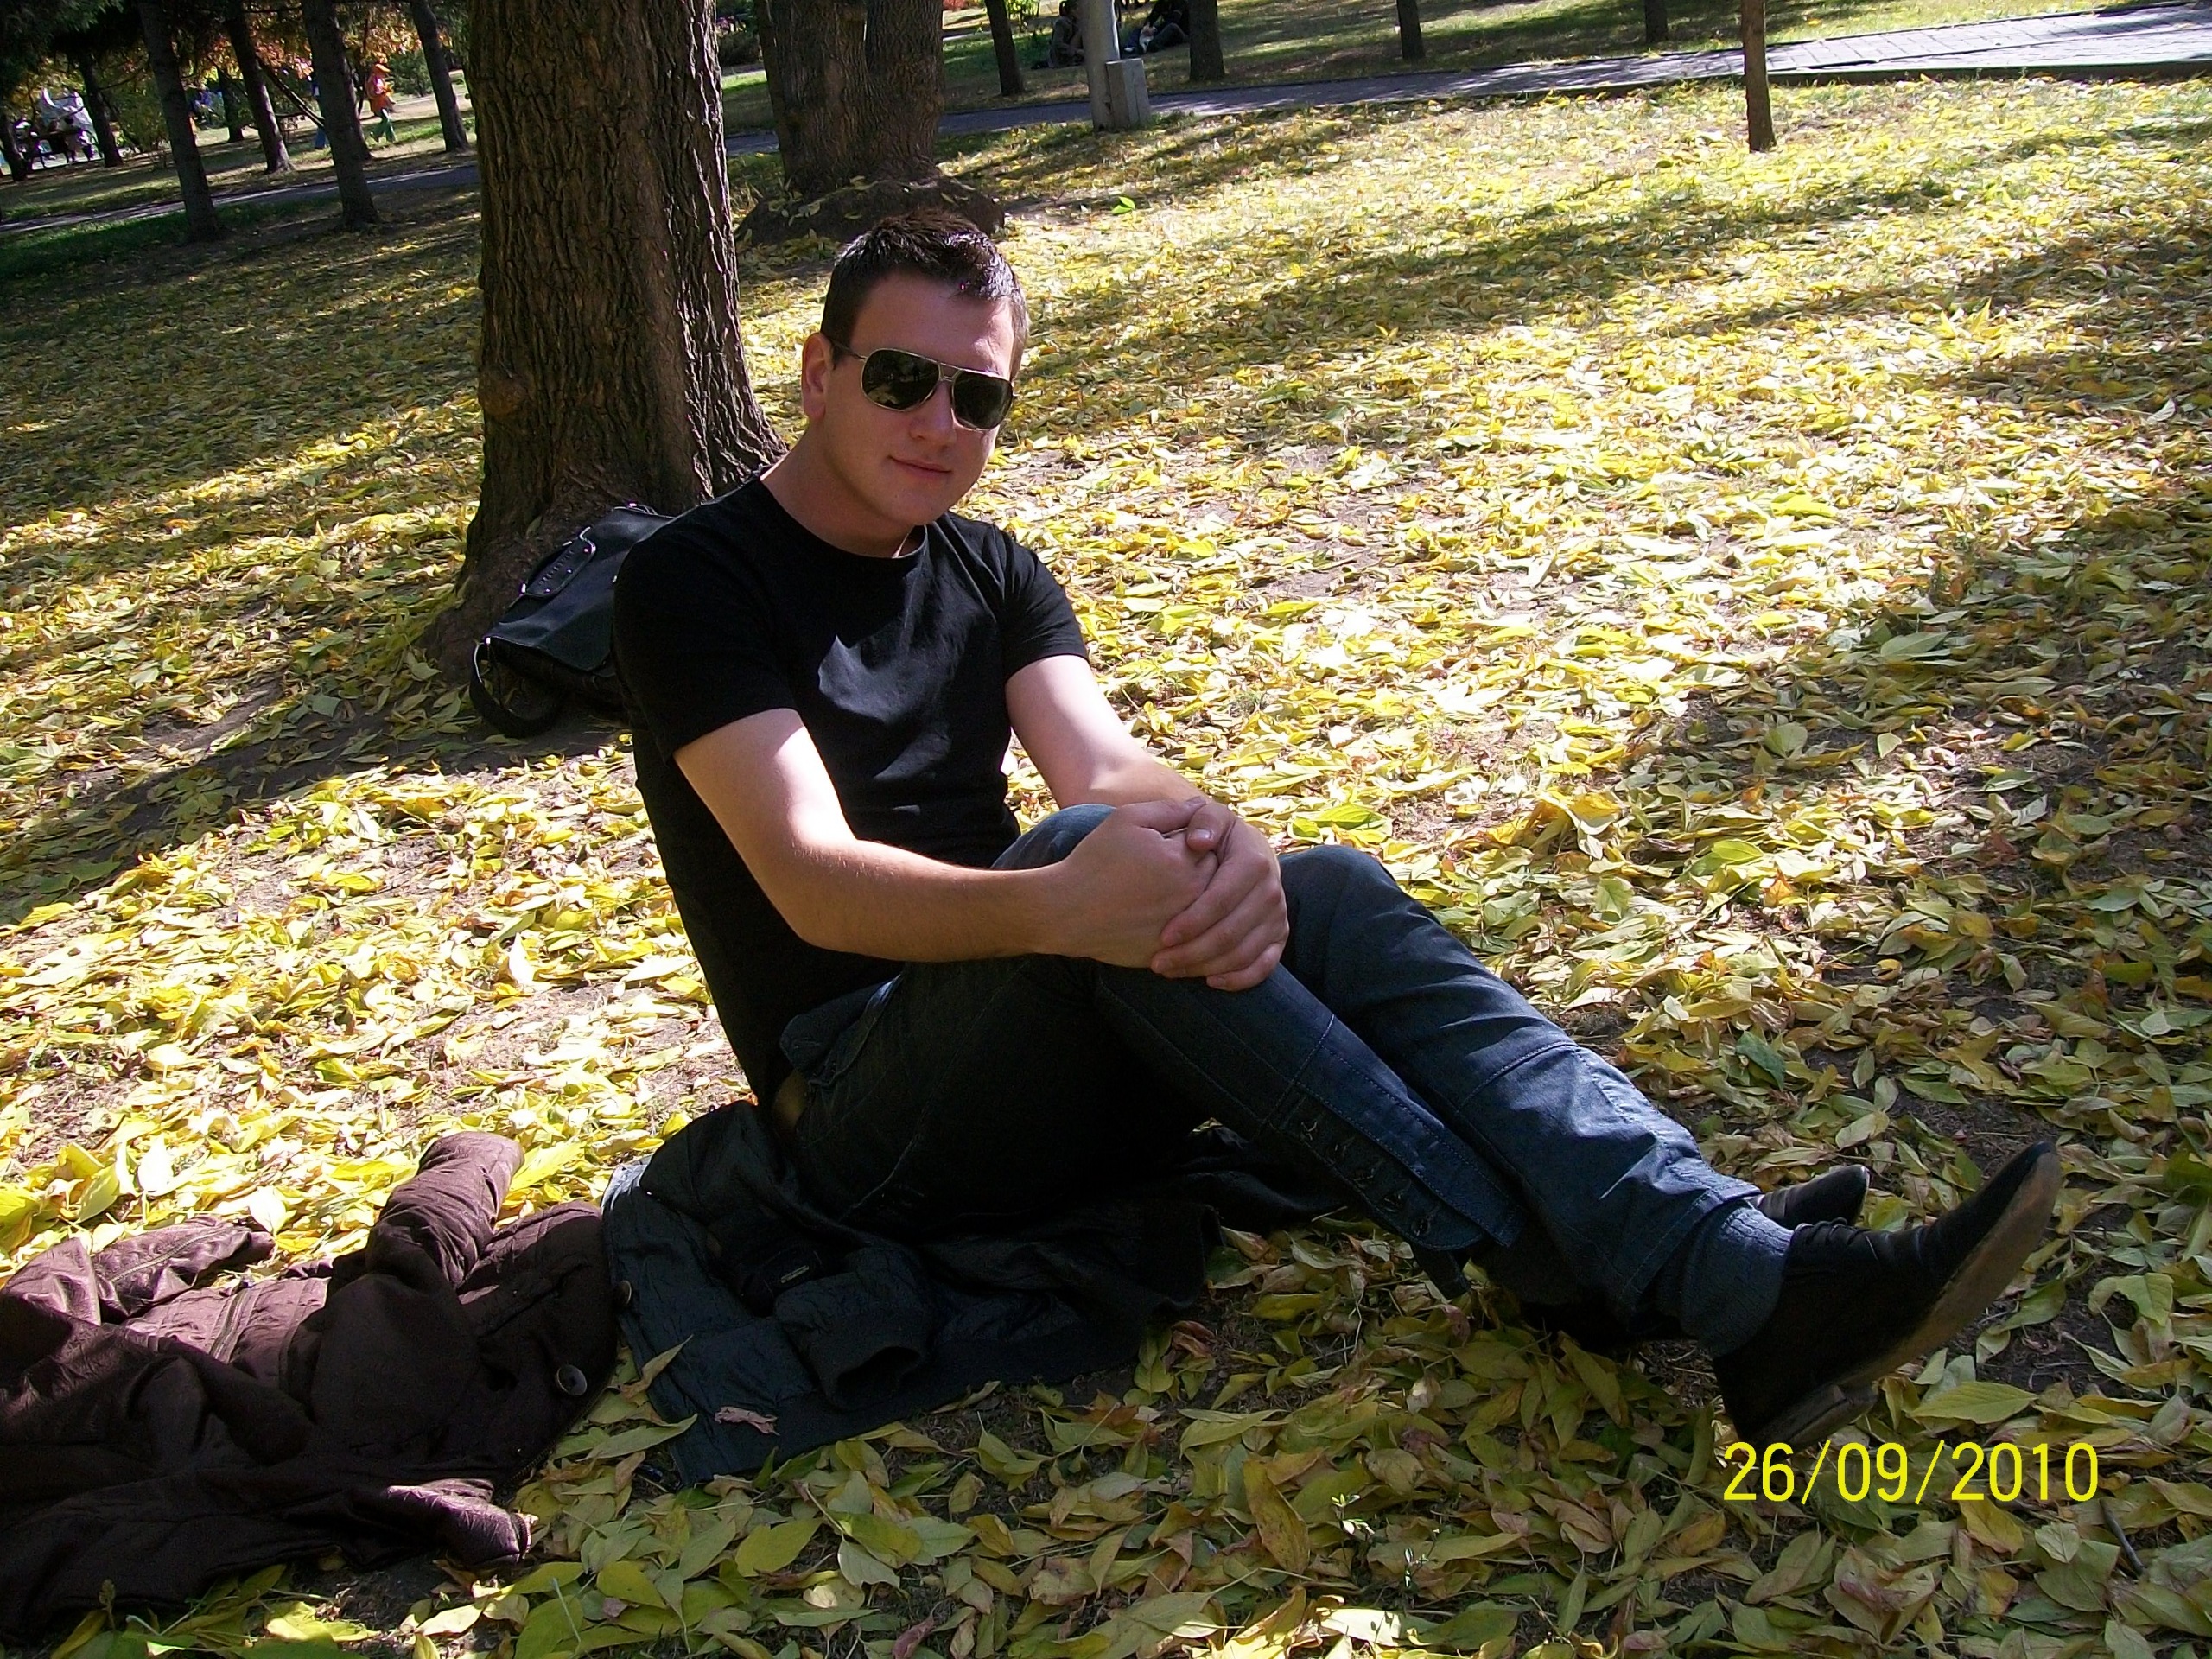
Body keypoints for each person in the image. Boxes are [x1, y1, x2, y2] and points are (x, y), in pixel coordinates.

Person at [612, 212, 2061, 1453]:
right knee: (1083, 873)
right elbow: (812, 882)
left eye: (979, 398)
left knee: (1330, 886)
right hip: (863, 1121)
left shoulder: (993, 571)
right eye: (902, 380)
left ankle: (1702, 1246)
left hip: (1047, 1056)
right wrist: (1067, 901)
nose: (940, 425)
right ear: (818, 373)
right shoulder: (693, 583)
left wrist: (1228, 842)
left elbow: (1108, 768)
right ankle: (1677, 1275)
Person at [363, 59, 397, 144]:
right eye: (382, 72)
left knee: (388, 120)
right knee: (386, 118)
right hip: (377, 104)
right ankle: (376, 134)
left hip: (383, 103)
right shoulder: (372, 80)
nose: (384, 74)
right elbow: (371, 93)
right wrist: (382, 92)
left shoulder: (381, 80)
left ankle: (391, 138)